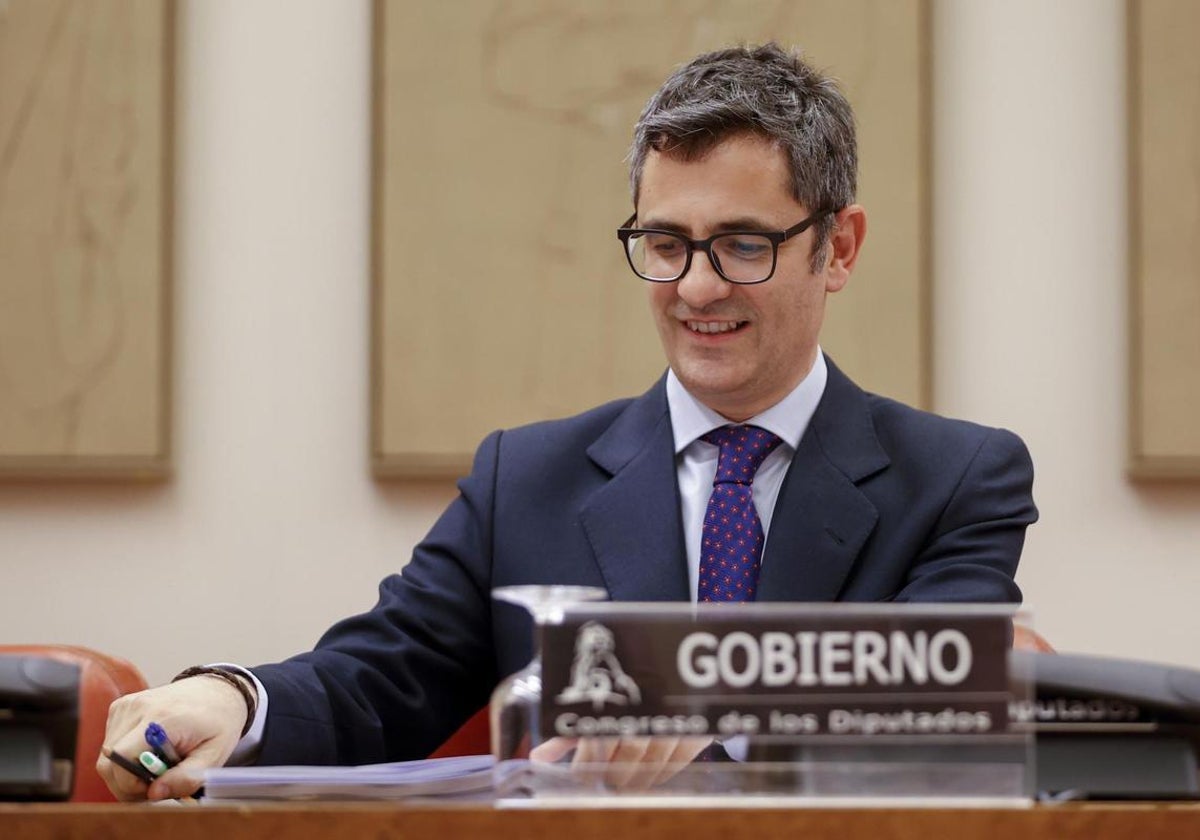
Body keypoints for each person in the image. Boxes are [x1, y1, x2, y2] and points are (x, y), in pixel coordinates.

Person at [98, 43, 1037, 801]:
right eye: (665, 244)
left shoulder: (958, 477)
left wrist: (702, 700)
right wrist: (232, 697)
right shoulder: (526, 480)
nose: (697, 288)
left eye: (742, 245)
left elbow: (929, 694)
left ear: (838, 248)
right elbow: (379, 679)